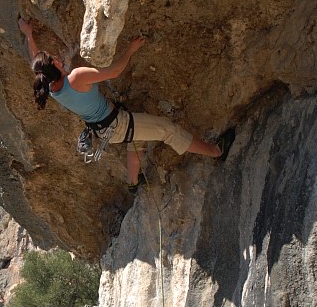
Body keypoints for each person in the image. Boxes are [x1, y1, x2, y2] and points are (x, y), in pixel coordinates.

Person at [18, 18, 235, 190]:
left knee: (137, 141)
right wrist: (130, 50)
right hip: (119, 124)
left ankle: (133, 183)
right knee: (167, 129)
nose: (56, 56)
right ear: (54, 65)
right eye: (53, 57)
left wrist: (29, 34)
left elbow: (37, 60)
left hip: (106, 131)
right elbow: (113, 71)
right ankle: (217, 151)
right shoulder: (76, 77)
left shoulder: (49, 87)